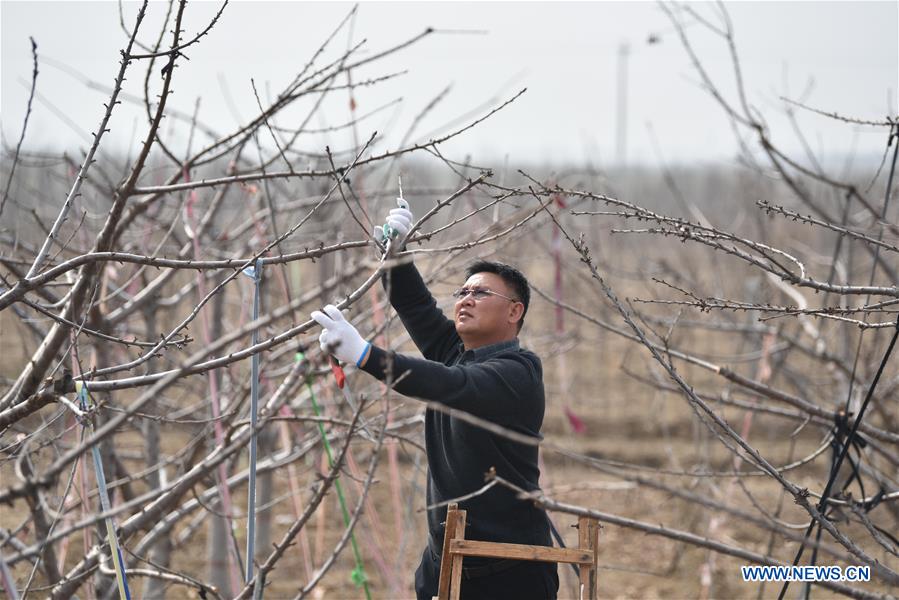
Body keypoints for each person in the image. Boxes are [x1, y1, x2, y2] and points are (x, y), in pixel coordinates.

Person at [311, 203, 558, 600]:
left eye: (481, 292)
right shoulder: (457, 352)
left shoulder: (518, 371)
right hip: (445, 562)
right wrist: (396, 256)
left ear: (515, 311)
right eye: (462, 292)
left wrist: (365, 355)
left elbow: (451, 384)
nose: (466, 299)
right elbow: (416, 307)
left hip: (509, 568)